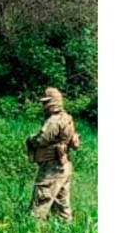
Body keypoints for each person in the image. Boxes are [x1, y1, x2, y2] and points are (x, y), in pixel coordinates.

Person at [25, 87, 80, 221]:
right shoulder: (66, 117)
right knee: (62, 206)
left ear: (52, 102)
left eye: (46, 102)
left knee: (40, 202)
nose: (43, 106)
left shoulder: (54, 120)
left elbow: (42, 139)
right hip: (64, 165)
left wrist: (30, 139)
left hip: (52, 167)